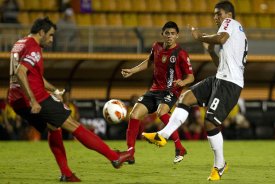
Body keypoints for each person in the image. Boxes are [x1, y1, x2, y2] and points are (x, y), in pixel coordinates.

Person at [7, 17, 133, 182]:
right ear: (41, 32)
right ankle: (114, 157)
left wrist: (54, 89)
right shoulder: (33, 48)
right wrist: (33, 100)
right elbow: (21, 72)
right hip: (33, 97)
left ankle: (66, 173)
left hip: (16, 99)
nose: (52, 40)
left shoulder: (20, 43)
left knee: (54, 128)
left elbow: (33, 75)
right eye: (50, 35)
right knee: (73, 125)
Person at [142, 1, 247, 181]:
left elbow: (220, 37)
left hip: (229, 84)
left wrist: (200, 36)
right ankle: (163, 135)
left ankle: (219, 165)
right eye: (214, 15)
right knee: (186, 97)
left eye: (218, 14)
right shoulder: (235, 36)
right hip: (220, 78)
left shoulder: (229, 24)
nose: (216, 17)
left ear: (228, 15)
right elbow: (219, 63)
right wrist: (211, 51)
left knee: (210, 123)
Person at [121, 21, 194, 164]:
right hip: (154, 90)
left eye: (173, 33)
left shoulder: (181, 54)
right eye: (167, 33)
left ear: (177, 36)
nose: (169, 36)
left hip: (171, 90)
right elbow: (149, 62)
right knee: (134, 115)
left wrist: (183, 82)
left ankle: (179, 146)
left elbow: (191, 76)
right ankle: (130, 152)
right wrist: (132, 71)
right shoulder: (156, 46)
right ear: (162, 34)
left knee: (161, 112)